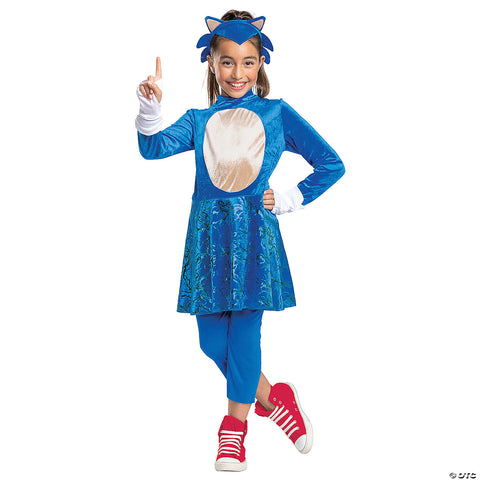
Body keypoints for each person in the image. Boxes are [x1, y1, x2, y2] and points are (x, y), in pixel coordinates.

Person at [135, 10, 345, 472]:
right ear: (211, 63)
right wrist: (150, 109)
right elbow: (152, 147)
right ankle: (274, 398)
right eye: (227, 62)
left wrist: (289, 198)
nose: (237, 72)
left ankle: (234, 431)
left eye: (248, 62)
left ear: (260, 64)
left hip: (254, 235)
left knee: (246, 333)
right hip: (208, 240)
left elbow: (331, 163)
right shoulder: (198, 119)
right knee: (213, 342)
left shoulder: (276, 113)